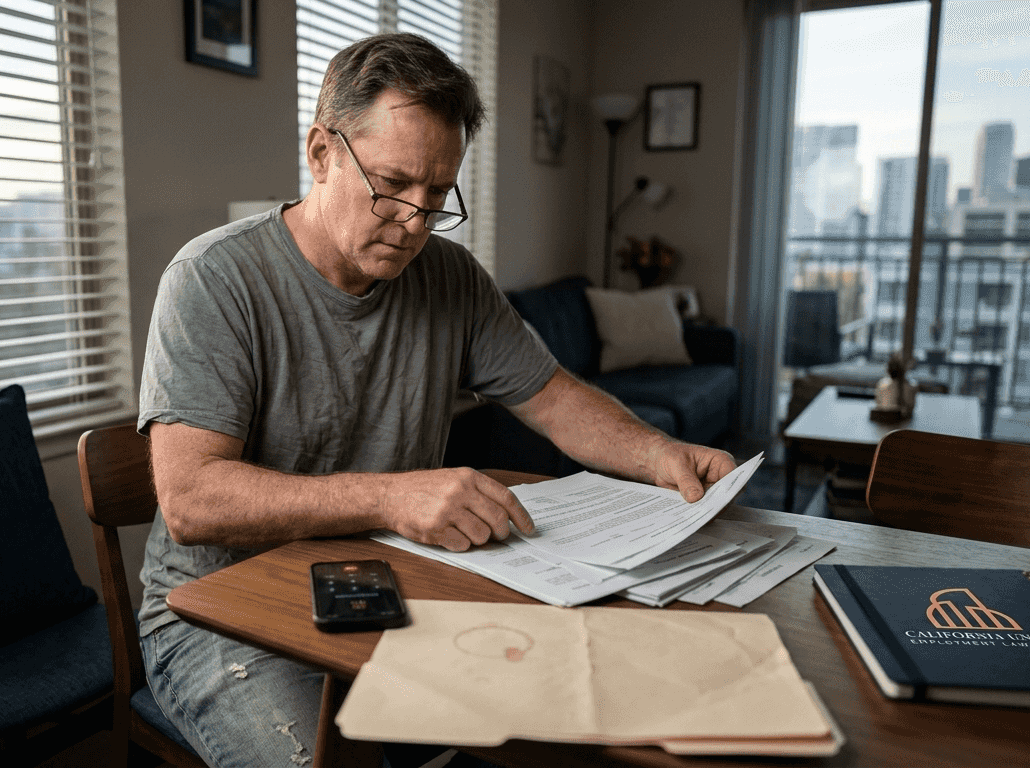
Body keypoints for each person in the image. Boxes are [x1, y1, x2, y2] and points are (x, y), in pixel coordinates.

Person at [136, 32, 737, 768]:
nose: (415, 221)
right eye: (392, 184)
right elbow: (192, 500)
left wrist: (658, 453)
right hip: (222, 615)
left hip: (386, 588)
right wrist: (392, 498)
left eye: (436, 194)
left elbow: (554, 398)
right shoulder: (213, 278)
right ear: (321, 153)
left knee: (579, 712)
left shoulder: (450, 276)